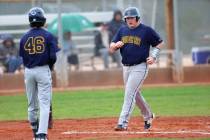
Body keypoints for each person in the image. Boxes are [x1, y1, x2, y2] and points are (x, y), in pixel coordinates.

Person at [109, 7, 164, 131]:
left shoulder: (146, 30)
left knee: (129, 93)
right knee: (135, 93)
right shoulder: (122, 30)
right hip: (126, 68)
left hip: (140, 66)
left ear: (137, 18)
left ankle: (122, 123)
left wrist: (153, 56)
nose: (129, 20)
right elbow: (111, 47)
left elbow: (160, 43)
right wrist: (115, 45)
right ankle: (148, 115)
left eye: (132, 18)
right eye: (127, 18)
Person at [19, 7, 59, 140]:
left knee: (31, 104)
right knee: (44, 103)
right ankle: (42, 135)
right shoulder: (48, 35)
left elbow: (22, 57)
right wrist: (50, 66)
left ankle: (34, 133)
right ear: (43, 20)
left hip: (28, 71)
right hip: (42, 70)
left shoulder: (24, 37)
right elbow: (53, 57)